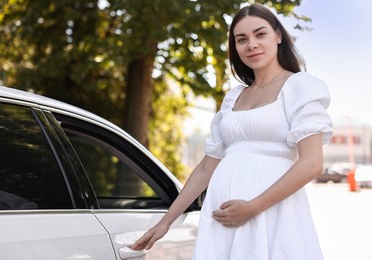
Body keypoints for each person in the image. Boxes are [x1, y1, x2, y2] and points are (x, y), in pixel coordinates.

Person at [132, 3, 332, 259]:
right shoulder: (234, 97)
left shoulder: (300, 86)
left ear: (278, 36)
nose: (252, 44)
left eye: (260, 34)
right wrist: (166, 222)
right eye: (242, 39)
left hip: (272, 214)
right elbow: (206, 167)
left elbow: (312, 163)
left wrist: (253, 207)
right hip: (222, 220)